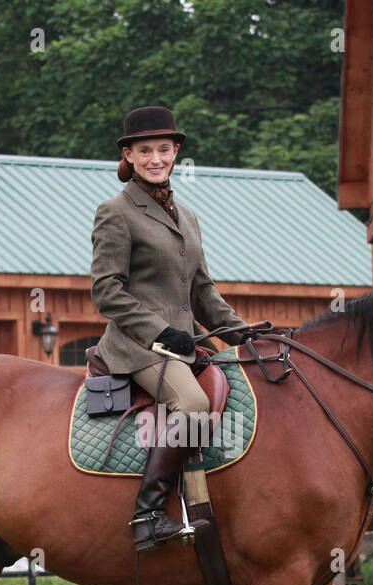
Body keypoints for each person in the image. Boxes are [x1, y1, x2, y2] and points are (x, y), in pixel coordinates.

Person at [90, 106, 257, 552]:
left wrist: (245, 334)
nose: (156, 158)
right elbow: (107, 291)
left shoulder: (188, 216)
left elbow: (203, 291)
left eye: (164, 149)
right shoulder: (116, 212)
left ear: (176, 151)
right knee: (193, 402)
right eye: (144, 151)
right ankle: (147, 514)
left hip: (183, 345)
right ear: (129, 155)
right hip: (138, 345)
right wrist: (163, 333)